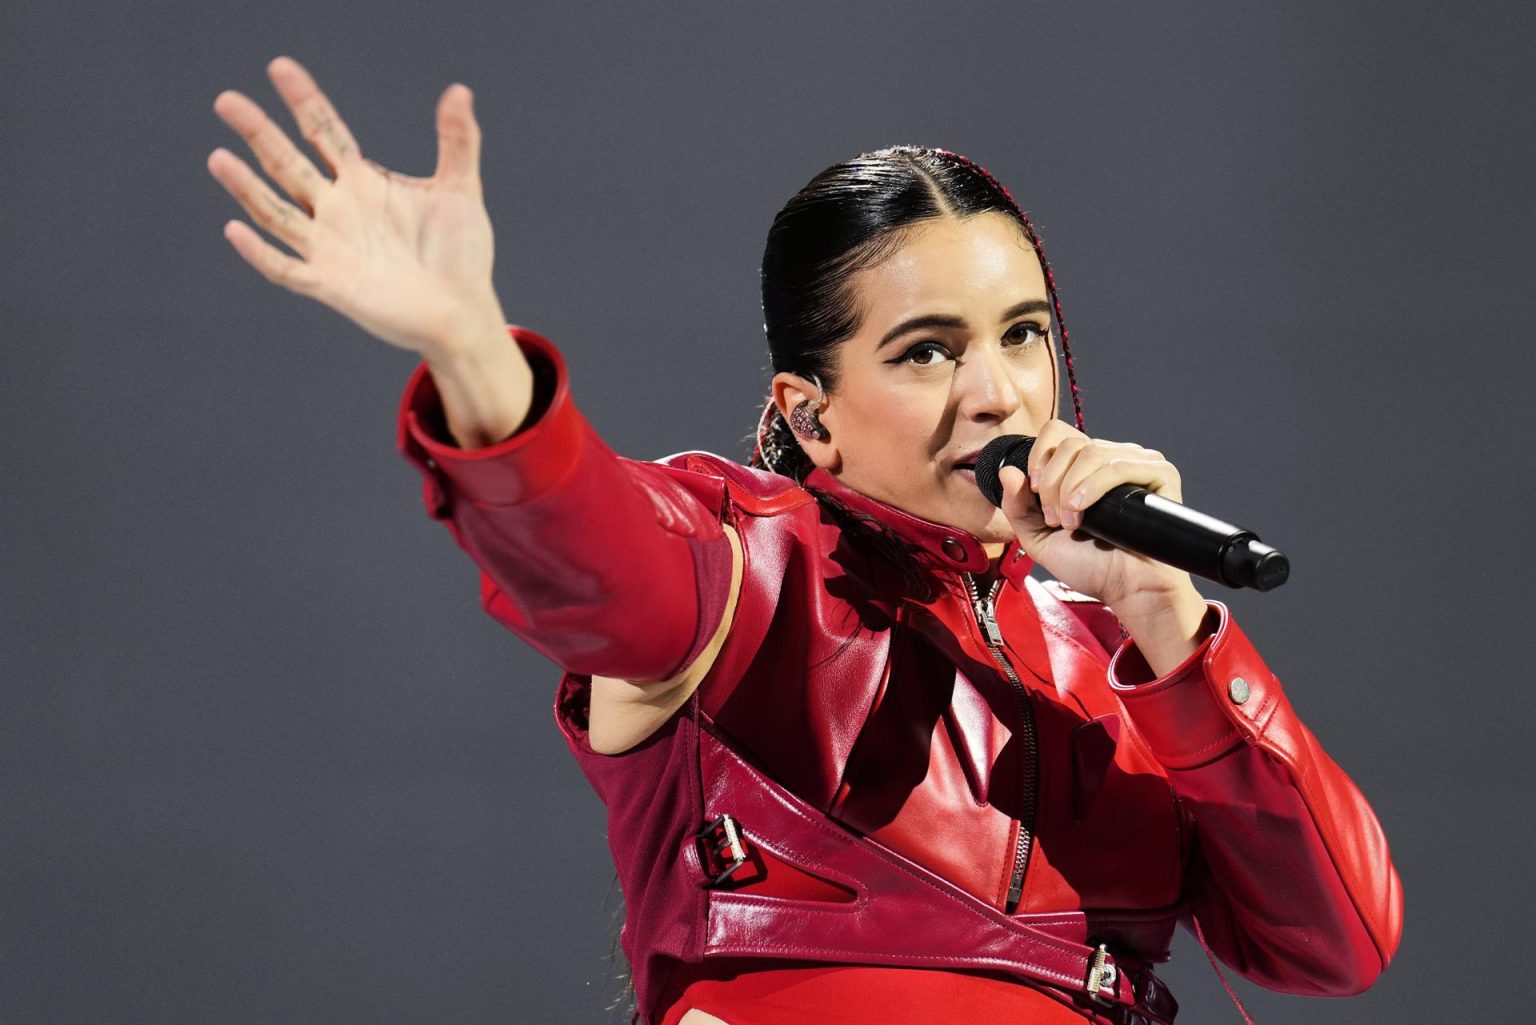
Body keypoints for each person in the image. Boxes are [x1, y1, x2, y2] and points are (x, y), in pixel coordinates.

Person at [208, 56, 1403, 1025]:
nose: (997, 393)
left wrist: (1163, 613)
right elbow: (586, 560)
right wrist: (475, 351)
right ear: (808, 414)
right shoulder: (746, 567)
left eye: (1024, 334)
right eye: (928, 349)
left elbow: (1336, 938)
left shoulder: (1120, 664)